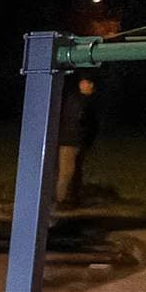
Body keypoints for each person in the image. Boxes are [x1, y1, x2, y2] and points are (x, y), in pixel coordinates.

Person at [56, 76, 100, 210]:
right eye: (88, 83)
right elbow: (80, 120)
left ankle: (73, 199)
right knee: (67, 172)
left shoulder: (86, 100)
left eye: (92, 83)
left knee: (76, 172)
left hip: (79, 142)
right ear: (82, 84)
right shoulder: (76, 100)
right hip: (70, 141)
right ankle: (60, 200)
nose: (91, 86)